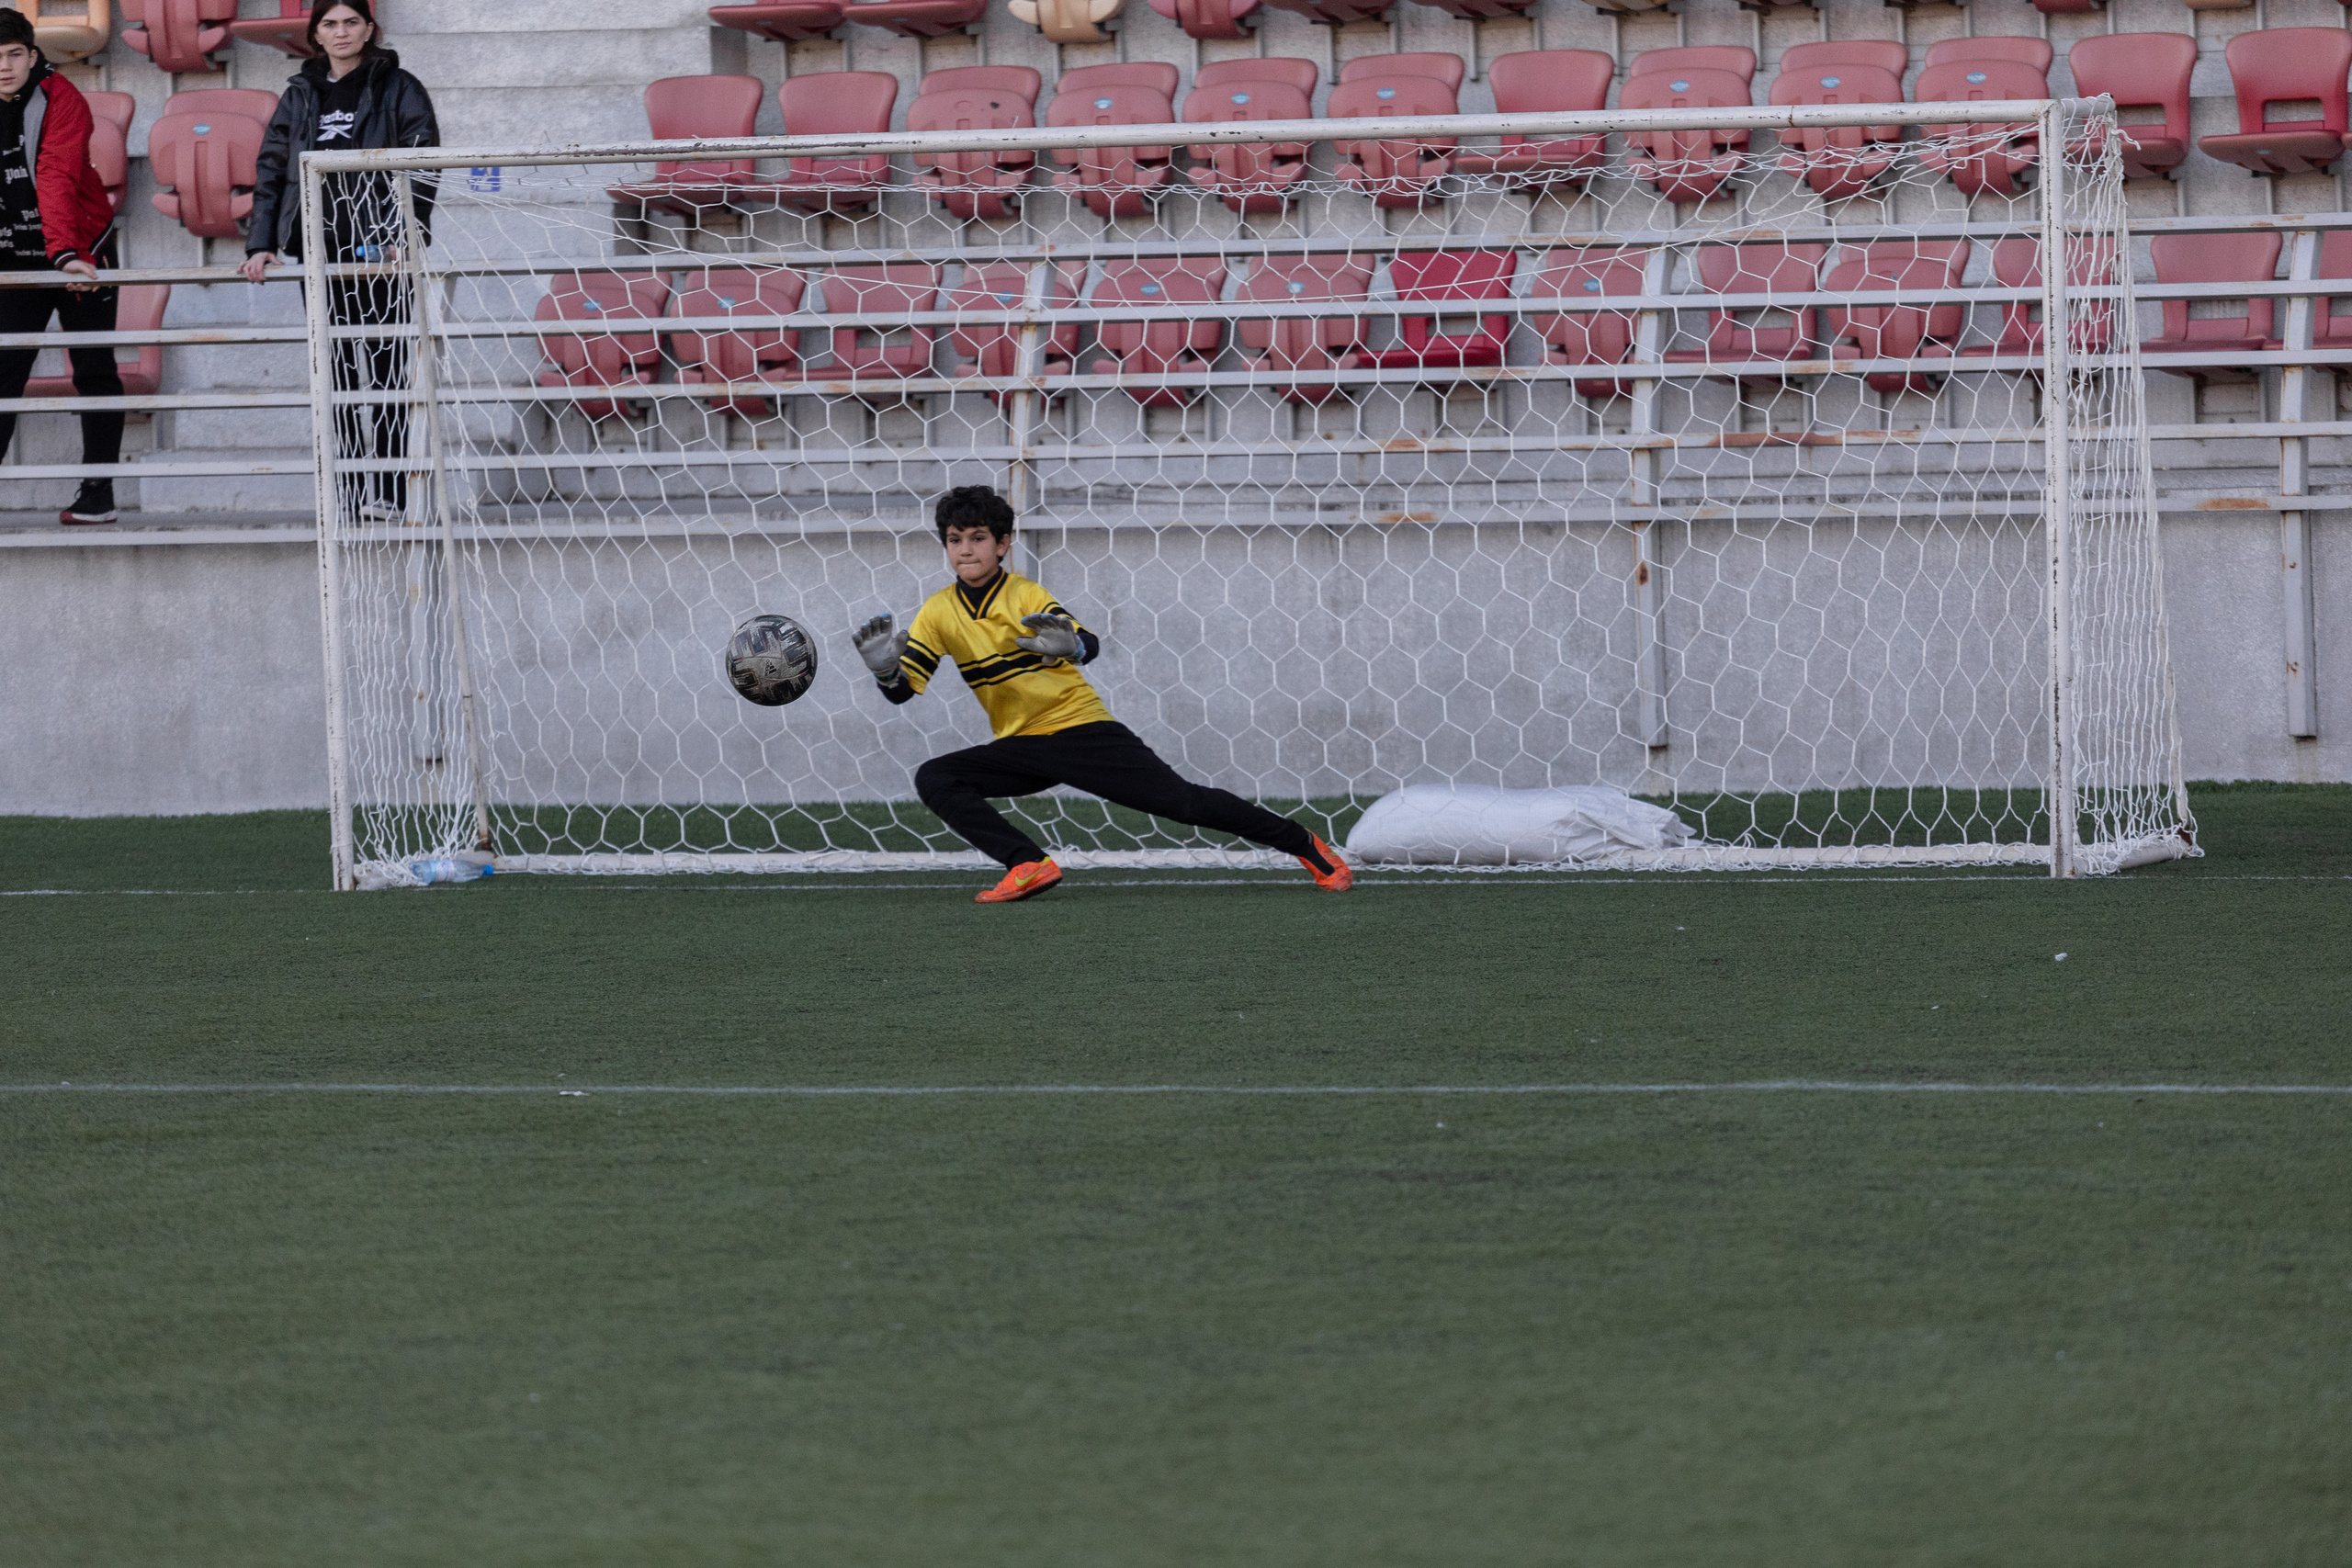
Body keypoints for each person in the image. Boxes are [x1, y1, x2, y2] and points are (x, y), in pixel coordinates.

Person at [852, 485, 1352, 903]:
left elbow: (1086, 642)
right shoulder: (937, 611)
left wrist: (1072, 645)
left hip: (1081, 730)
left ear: (1003, 545)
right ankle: (1027, 862)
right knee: (937, 777)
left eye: (978, 538)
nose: (965, 550)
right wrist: (884, 671)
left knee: (1186, 805)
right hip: (1021, 745)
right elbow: (902, 693)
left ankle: (1304, 844)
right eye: (955, 539)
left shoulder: (1024, 594)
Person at [241, 0, 436, 523]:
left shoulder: (400, 86)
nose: (341, 31)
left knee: (390, 367)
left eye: (352, 22)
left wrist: (406, 235)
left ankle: (393, 495)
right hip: (319, 251)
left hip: (381, 254)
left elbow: (422, 166)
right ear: (316, 35)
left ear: (369, 29)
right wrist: (260, 242)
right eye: (330, 23)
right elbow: (272, 169)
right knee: (338, 372)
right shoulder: (300, 93)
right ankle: (350, 495)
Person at [0, 9, 128, 525]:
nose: (4, 67)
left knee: (95, 371)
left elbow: (55, 174)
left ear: (33, 56)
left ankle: (98, 493)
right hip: (13, 258)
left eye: (14, 55)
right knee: (3, 373)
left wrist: (65, 256)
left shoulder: (62, 98)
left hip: (80, 252)